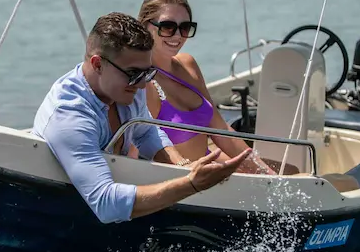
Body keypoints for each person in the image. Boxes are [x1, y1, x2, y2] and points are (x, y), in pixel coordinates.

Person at [32, 12, 252, 224]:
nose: (142, 84)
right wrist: (191, 184)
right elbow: (106, 204)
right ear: (97, 64)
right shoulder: (69, 117)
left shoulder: (128, 86)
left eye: (148, 74)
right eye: (134, 74)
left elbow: (147, 131)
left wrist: (183, 166)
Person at [135, 0, 284, 175]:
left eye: (185, 27)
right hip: (187, 182)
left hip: (211, 164)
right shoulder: (144, 84)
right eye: (168, 27)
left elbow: (220, 129)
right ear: (145, 25)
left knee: (291, 171)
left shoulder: (188, 65)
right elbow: (138, 152)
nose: (178, 36)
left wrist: (263, 172)